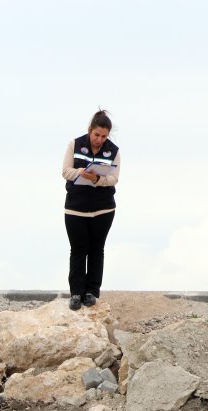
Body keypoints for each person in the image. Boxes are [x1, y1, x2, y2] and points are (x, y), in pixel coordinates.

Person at [61, 109, 121, 311]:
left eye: (104, 136)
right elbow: (65, 171)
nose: (99, 139)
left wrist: (97, 179)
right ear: (90, 130)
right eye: (96, 135)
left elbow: (114, 178)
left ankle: (91, 292)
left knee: (97, 250)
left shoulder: (113, 150)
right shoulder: (74, 144)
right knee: (78, 250)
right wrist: (80, 172)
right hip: (75, 209)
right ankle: (76, 293)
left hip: (103, 209)